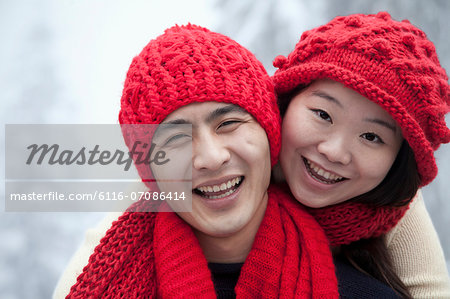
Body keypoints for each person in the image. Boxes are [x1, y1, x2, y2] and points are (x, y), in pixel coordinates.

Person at [54, 24, 342, 298]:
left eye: (228, 123)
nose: (212, 158)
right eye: (176, 139)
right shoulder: (96, 286)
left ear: (270, 134)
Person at [272, 12, 450, 298]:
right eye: (323, 114)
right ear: (288, 98)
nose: (334, 152)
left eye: (371, 137)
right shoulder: (235, 147)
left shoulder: (393, 209)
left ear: (398, 161)